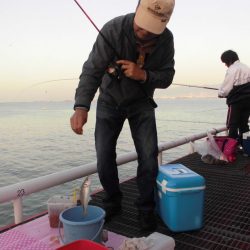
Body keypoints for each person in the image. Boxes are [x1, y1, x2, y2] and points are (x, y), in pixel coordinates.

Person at [70, 0, 175, 231]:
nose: (144, 33)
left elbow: (167, 76)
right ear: (136, 9)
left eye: (151, 31)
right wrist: (81, 106)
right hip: (109, 101)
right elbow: (92, 69)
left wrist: (144, 75)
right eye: (140, 27)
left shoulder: (166, 40)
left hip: (142, 103)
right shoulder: (113, 29)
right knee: (104, 156)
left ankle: (146, 210)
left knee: (148, 157)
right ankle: (112, 202)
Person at [218, 50, 250, 145]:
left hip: (236, 102)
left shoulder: (232, 69)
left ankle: (232, 148)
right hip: (248, 101)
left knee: (232, 124)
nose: (225, 65)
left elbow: (226, 88)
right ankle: (245, 146)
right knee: (244, 124)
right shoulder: (246, 67)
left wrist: (221, 93)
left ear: (229, 60)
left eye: (225, 62)